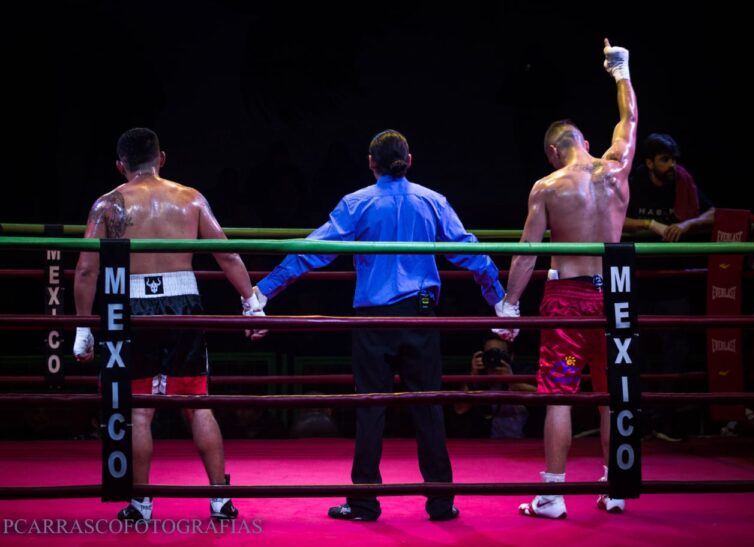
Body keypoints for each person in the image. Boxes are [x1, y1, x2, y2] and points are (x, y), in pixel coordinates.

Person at [246, 129, 511, 521]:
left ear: (371, 164)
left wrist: (263, 292)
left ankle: (365, 503)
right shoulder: (432, 201)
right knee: (429, 408)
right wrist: (501, 303)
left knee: (371, 408)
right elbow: (470, 251)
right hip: (420, 314)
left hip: (374, 320)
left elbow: (313, 250)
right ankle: (441, 502)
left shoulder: (357, 203)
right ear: (409, 160)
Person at [72, 127, 260, 521]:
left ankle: (140, 504)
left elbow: (87, 270)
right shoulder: (189, 198)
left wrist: (82, 329)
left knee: (138, 410)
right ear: (162, 158)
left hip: (130, 306)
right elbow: (225, 255)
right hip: (183, 302)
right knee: (198, 404)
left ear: (121, 166)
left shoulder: (107, 205)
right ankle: (220, 500)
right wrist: (251, 304)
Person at [495, 39, 637, 518]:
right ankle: (616, 486)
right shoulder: (615, 167)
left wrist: (509, 307)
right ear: (585, 143)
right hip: (615, 294)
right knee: (611, 392)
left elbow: (527, 253)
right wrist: (620, 70)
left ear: (555, 151)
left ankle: (553, 496)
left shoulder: (548, 186)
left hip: (567, 295)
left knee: (559, 395)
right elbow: (630, 121)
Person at [623, 134, 715, 442]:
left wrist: (688, 225)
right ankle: (640, 421)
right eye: (664, 160)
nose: (671, 165)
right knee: (637, 348)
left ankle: (664, 419)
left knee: (676, 347)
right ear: (649, 162)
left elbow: (712, 212)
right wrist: (650, 225)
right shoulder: (634, 182)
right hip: (639, 280)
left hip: (673, 280)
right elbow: (615, 218)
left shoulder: (682, 181)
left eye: (673, 159)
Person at [453, 334, 535, 439]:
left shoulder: (523, 373)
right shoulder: (477, 376)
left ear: (511, 356)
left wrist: (512, 381)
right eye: (489, 353)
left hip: (524, 443)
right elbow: (460, 409)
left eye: (499, 354)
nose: (493, 358)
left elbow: (543, 401)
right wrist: (473, 377)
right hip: (485, 444)